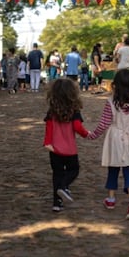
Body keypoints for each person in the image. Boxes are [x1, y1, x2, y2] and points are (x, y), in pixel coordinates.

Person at [86, 69, 129, 220]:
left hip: (115, 137)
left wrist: (92, 135)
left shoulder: (111, 102)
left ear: (116, 85)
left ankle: (111, 199)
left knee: (113, 167)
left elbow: (103, 123)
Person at [43, 78, 89, 212]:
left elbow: (49, 127)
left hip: (54, 149)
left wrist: (47, 142)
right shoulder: (74, 110)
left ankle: (57, 203)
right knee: (73, 170)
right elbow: (77, 127)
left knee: (57, 174)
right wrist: (87, 134)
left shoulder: (52, 110)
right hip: (69, 149)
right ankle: (63, 187)